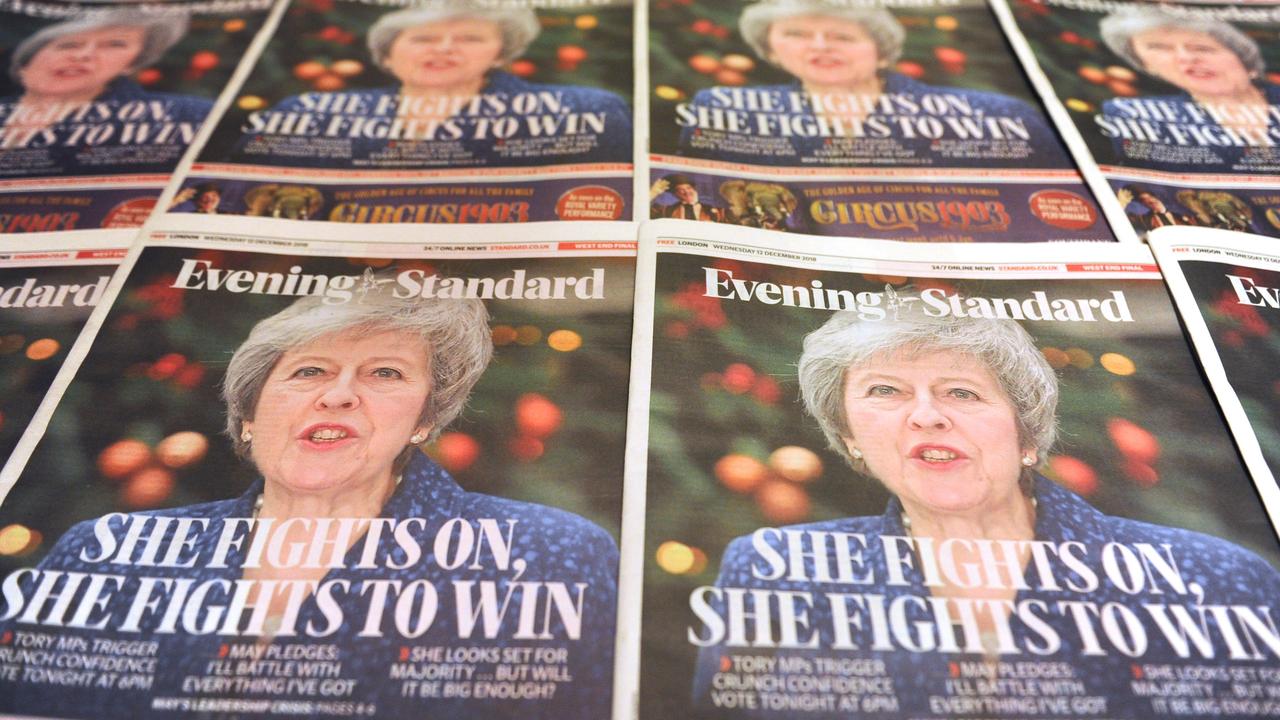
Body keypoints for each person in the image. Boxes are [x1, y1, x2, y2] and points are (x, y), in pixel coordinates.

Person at [6, 286, 619, 719]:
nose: (339, 396)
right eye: (308, 372)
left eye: (385, 373)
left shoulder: (549, 552)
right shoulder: (105, 552)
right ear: (248, 415)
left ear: (423, 421)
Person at [693, 301, 1280, 717]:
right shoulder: (774, 566)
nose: (925, 415)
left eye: (961, 392)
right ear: (850, 439)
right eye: (885, 391)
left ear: (1027, 438)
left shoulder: (1216, 578)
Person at [233, 1, 632, 169]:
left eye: (469, 38)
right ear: (387, 55)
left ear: (499, 53)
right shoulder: (304, 114)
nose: (443, 49)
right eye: (422, 38)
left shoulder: (585, 111)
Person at [676, 0, 1069, 167]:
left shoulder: (997, 115)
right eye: (796, 34)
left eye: (843, 36)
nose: (820, 46)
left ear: (881, 52)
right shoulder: (724, 108)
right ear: (772, 51)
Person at [0, 9, 212, 177]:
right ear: (25, 62)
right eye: (68, 45)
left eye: (114, 45)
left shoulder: (187, 115)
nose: (83, 55)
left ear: (132, 63)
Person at [1099, 8, 1280, 174]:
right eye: (1160, 48)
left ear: (1242, 55)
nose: (1186, 58)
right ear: (1146, 64)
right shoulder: (1133, 116)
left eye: (1202, 48)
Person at [649, 173, 729, 221]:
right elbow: (641, 213)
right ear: (675, 194)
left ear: (695, 189)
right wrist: (652, 193)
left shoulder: (720, 212)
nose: (687, 192)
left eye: (688, 188)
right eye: (680, 190)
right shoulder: (665, 211)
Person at [1117, 184, 1197, 231]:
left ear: (1156, 197)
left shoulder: (1185, 216)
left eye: (1150, 197)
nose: (1150, 201)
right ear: (1143, 204)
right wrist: (1121, 204)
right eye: (1144, 200)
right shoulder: (1144, 219)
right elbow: (1121, 223)